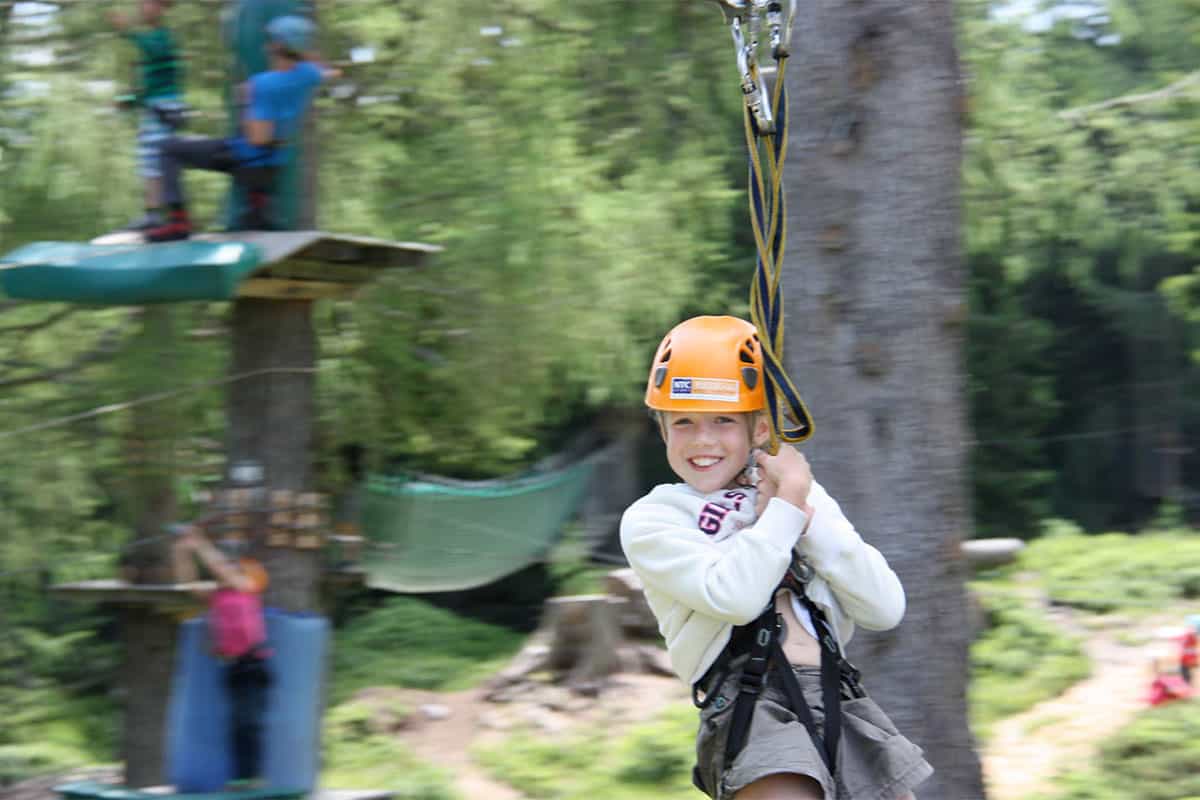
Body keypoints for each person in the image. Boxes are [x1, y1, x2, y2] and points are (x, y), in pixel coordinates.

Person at [620, 316, 932, 800]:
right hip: (753, 702)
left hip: (839, 693)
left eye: (723, 420)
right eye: (684, 422)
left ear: (759, 428)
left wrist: (803, 511)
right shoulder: (656, 518)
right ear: (662, 430)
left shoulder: (800, 496)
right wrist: (782, 512)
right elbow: (736, 598)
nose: (703, 440)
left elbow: (885, 608)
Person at [143, 15, 341, 242]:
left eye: (270, 41)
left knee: (167, 148)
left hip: (249, 162)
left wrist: (247, 101)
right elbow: (331, 71)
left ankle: (178, 221)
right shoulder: (308, 75)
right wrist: (303, 51)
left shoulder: (264, 84)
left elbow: (258, 138)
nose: (266, 46)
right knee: (233, 151)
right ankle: (257, 207)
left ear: (277, 46)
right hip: (275, 164)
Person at [173, 526, 272, 787]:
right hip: (234, 667)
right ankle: (243, 777)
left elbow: (221, 569)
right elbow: (189, 582)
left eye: (233, 568)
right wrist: (182, 553)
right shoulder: (218, 595)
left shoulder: (249, 585)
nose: (228, 571)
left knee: (248, 722)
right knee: (238, 724)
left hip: (254, 665)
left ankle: (252, 777)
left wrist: (200, 543)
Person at [109, 0, 186, 231]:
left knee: (156, 160)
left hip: (163, 109)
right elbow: (150, 88)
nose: (143, 7)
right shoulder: (152, 39)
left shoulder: (162, 38)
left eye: (149, 3)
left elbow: (155, 49)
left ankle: (167, 216)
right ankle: (153, 213)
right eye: (142, 3)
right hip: (154, 109)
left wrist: (127, 32)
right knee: (149, 160)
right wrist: (127, 102)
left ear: (161, 8)